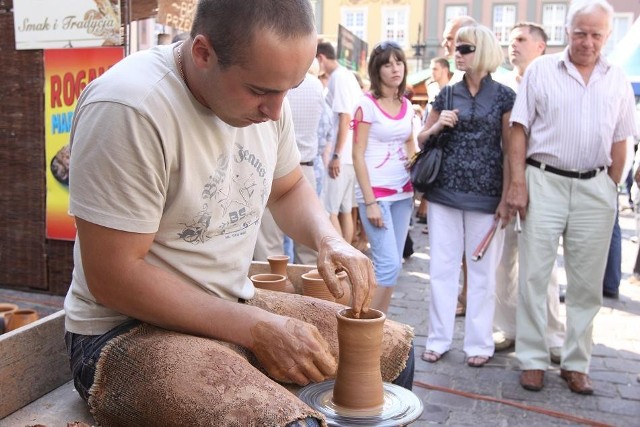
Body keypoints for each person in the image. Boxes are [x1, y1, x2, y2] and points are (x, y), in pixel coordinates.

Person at [63, 1, 414, 424]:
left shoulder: (271, 95)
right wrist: (254, 327)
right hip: (122, 331)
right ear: (202, 53)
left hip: (231, 302)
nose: (276, 111)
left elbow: (288, 190)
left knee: (393, 356)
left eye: (291, 88)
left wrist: (330, 239)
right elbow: (113, 278)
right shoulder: (130, 108)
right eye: (260, 91)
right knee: (290, 424)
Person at [507, 0, 637, 395]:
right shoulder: (542, 70)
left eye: (597, 34)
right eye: (581, 32)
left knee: (586, 282)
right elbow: (518, 129)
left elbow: (621, 138)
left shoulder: (616, 78)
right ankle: (532, 358)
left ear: (607, 36)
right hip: (544, 179)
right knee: (535, 274)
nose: (588, 41)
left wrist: (609, 186)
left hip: (595, 185)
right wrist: (517, 183)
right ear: (567, 30)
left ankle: (576, 362)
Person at [418, 24, 515, 368]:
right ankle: (438, 339)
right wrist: (436, 125)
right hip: (444, 193)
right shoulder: (445, 94)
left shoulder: (504, 96)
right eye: (456, 48)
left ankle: (479, 343)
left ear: (484, 51)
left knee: (483, 273)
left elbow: (509, 149)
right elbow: (420, 140)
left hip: (487, 197)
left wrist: (507, 196)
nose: (457, 53)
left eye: (465, 48)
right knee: (442, 269)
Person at [492, 22, 565, 363]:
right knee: (505, 260)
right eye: (510, 40)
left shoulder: (554, 81)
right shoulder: (504, 84)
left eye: (521, 39)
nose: (513, 45)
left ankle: (550, 333)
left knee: (543, 263)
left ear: (540, 46)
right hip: (503, 181)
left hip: (541, 178)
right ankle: (509, 328)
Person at [351, 41, 415, 313]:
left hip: (404, 193)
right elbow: (357, 154)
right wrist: (371, 201)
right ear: (377, 71)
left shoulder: (407, 104)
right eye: (387, 64)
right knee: (387, 264)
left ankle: (381, 325)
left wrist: (420, 176)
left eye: (398, 62)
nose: (395, 69)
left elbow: (411, 145)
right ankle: (365, 327)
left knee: (394, 266)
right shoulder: (366, 105)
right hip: (376, 194)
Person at [254, 59, 325, 265]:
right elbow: (324, 130)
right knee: (311, 252)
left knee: (270, 251)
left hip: (272, 169)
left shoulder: (270, 80)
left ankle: (275, 292)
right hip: (307, 168)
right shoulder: (316, 86)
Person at [316, 41, 363, 246]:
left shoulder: (338, 77)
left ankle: (343, 257)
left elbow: (345, 117)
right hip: (349, 155)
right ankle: (348, 254)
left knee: (329, 211)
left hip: (341, 157)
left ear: (321, 58)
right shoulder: (348, 75)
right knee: (344, 210)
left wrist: (335, 155)